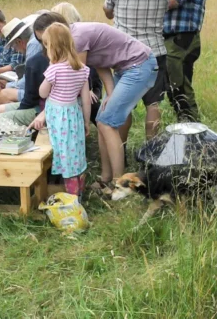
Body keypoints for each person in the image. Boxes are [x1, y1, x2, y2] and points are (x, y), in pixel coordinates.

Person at [32, 12, 157, 189]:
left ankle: (118, 184)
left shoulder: (77, 40)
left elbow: (70, 85)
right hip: (124, 69)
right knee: (101, 120)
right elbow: (100, 62)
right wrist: (110, 92)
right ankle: (106, 178)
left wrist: (45, 113)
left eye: (45, 42)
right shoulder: (72, 37)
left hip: (139, 65)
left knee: (107, 123)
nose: (44, 48)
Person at [104, 0, 169, 140]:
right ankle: (151, 150)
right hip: (155, 52)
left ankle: (120, 147)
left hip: (125, 56)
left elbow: (108, 13)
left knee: (123, 105)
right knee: (153, 104)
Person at [156, 0, 207, 122]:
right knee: (171, 85)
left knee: (179, 86)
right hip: (169, 38)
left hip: (183, 38)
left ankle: (193, 127)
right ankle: (183, 124)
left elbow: (172, 0)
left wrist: (147, 0)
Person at [39, 23, 91, 200]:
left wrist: (48, 74)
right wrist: (86, 122)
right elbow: (85, 99)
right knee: (76, 154)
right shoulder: (82, 68)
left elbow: (42, 93)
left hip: (58, 119)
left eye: (47, 45)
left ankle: (72, 198)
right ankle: (79, 193)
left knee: (65, 156)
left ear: (53, 47)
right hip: (74, 115)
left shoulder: (54, 69)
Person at [0, 18, 49, 127]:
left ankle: (16, 129)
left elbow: (30, 92)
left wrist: (9, 85)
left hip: (40, 105)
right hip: (41, 103)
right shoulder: (34, 47)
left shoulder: (33, 49)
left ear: (19, 42)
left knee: (3, 96)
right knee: (0, 106)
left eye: (14, 46)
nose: (16, 50)